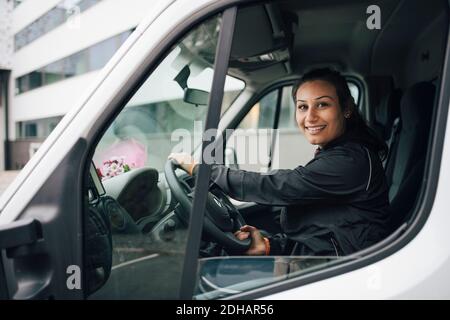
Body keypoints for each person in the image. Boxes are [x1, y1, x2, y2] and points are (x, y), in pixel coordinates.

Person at [169, 68, 390, 256]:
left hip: (345, 275)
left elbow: (280, 185)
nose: (310, 117)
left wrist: (200, 169)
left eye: (322, 105)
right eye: (303, 107)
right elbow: (320, 232)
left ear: (347, 109)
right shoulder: (337, 154)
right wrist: (268, 246)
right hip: (317, 262)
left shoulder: (352, 161)